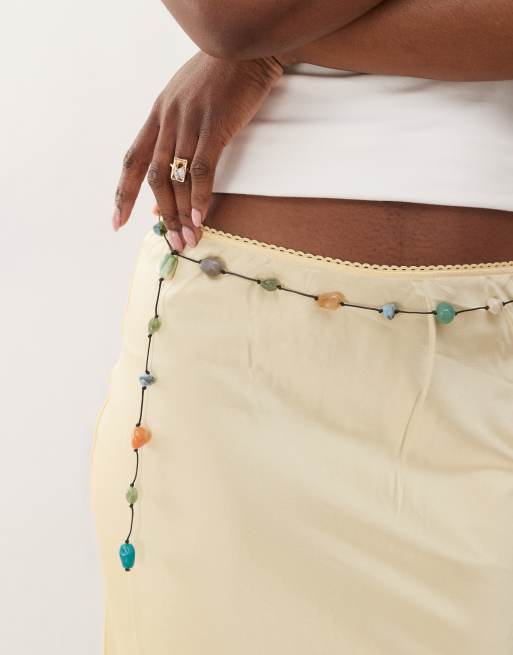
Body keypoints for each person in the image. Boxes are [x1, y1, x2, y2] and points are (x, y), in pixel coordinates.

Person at [90, 2, 513, 653]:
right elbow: (228, 15)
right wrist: (255, 44)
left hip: (487, 369)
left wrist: (279, 48)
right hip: (234, 379)